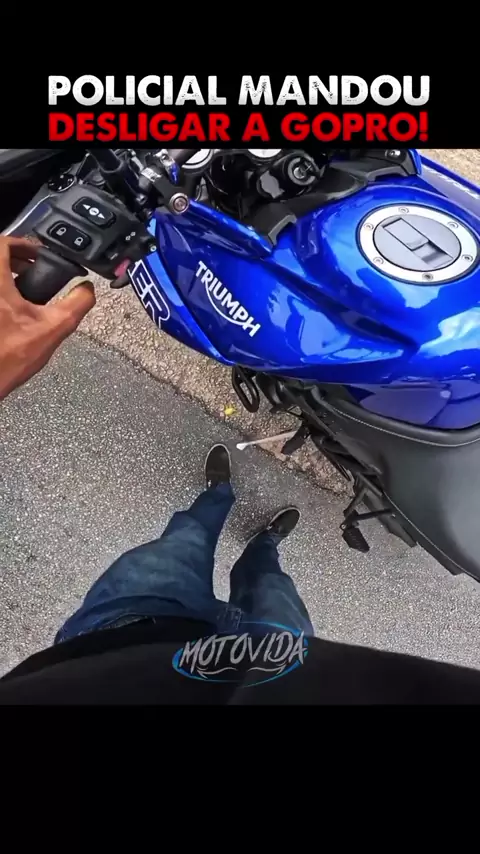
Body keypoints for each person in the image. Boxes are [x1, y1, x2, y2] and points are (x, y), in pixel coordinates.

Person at [1, 235, 480, 705]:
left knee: (182, 543)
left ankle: (218, 497)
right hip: (277, 656)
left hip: (124, 639)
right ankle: (262, 544)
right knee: (269, 582)